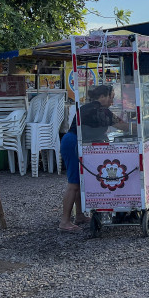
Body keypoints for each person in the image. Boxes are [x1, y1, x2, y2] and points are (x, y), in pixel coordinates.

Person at [59, 85, 128, 231]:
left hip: (73, 141)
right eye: (111, 96)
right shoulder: (100, 111)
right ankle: (64, 222)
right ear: (102, 97)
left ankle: (79, 215)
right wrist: (146, 126)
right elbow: (124, 127)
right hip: (73, 143)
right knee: (74, 184)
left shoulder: (88, 107)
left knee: (80, 181)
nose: (112, 100)